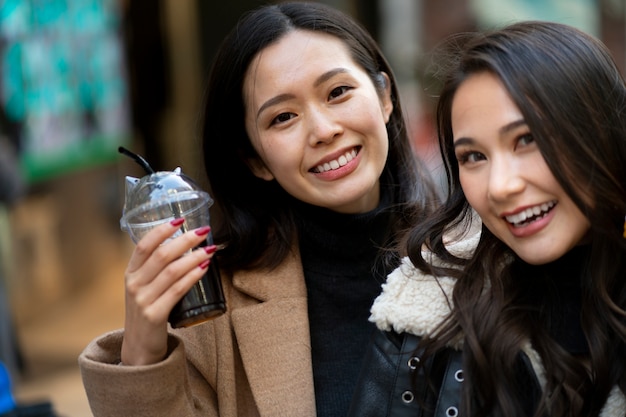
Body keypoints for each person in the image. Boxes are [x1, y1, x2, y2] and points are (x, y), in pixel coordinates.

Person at [78, 2, 438, 416]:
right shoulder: (217, 313)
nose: (323, 131)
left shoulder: (473, 256)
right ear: (255, 160)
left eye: (338, 92)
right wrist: (141, 352)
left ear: (385, 97)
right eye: (283, 117)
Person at [348, 21, 626, 417]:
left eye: (527, 139)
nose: (500, 187)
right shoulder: (423, 315)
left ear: (600, 132)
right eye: (473, 156)